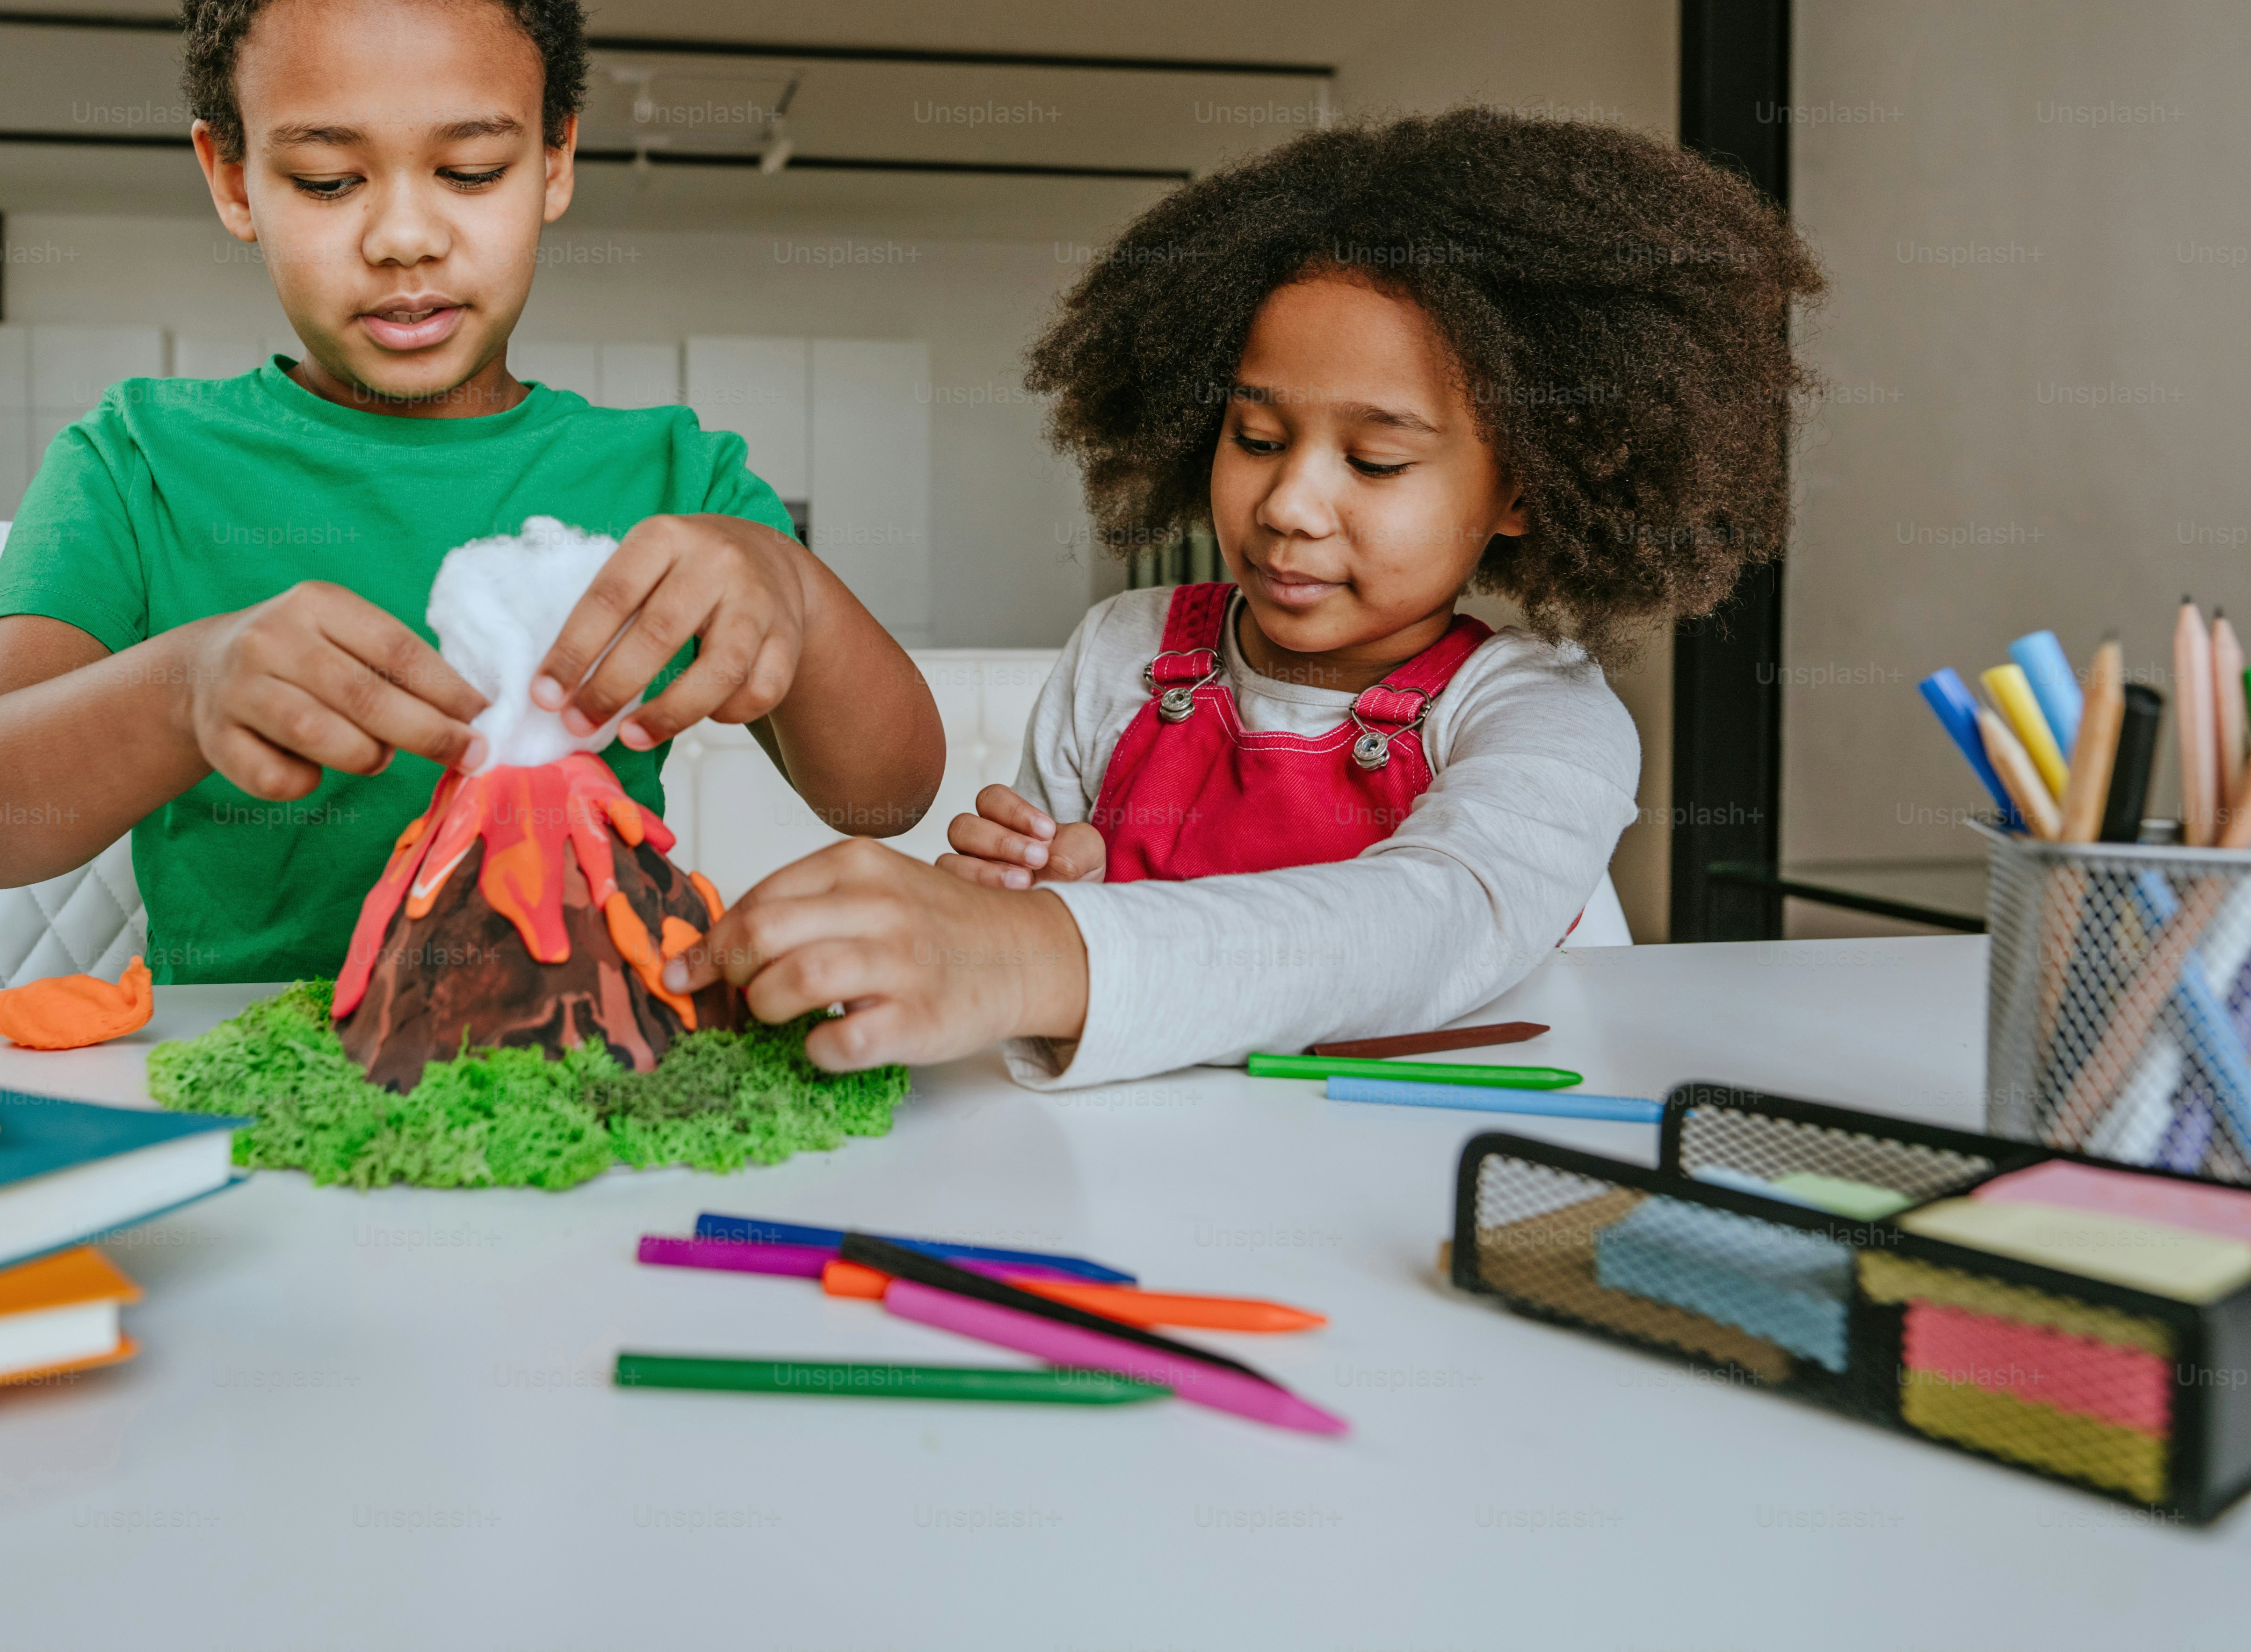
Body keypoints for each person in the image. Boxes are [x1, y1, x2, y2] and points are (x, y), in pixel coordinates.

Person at [0, 0, 942, 982]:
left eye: (471, 170)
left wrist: (787, 579)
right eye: (327, 180)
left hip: (584, 1055)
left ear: (555, 161)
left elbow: (888, 795)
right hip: (255, 1098)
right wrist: (188, 681)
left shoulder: (675, 477)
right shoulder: (136, 460)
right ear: (232, 179)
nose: (405, 236)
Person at [674, 109, 1823, 1087]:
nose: (1290, 504)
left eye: (1375, 462)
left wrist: (1035, 948)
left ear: (1520, 489)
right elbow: (1043, 934)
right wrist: (1028, 890)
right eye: (1257, 436)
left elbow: (1436, 920)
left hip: (1451, 1160)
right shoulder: (1120, 657)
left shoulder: (1546, 717)